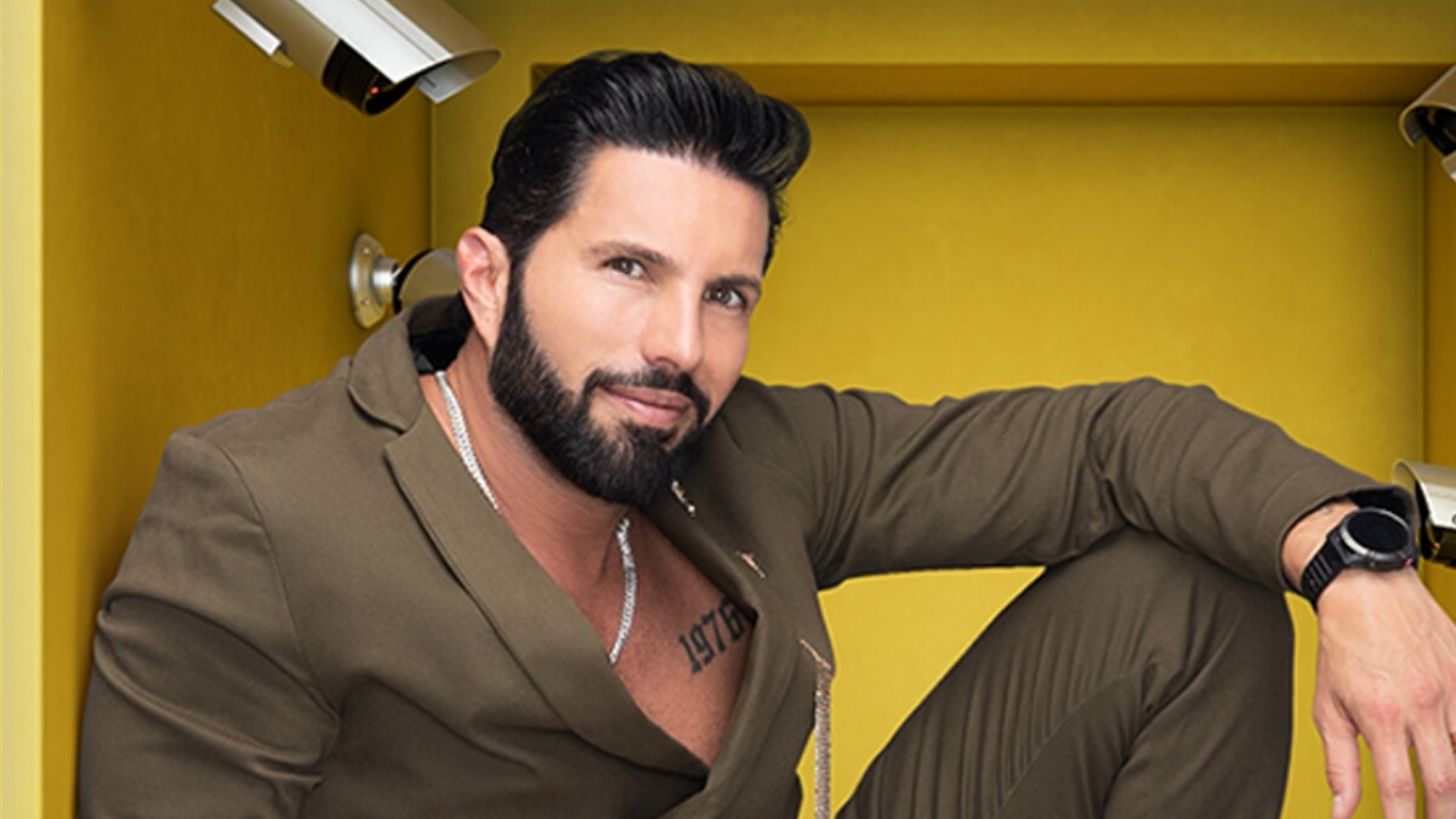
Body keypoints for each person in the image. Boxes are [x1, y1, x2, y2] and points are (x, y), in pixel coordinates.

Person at [78, 51, 1456, 819]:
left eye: (725, 293)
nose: (679, 344)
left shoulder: (744, 453)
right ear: (487, 280)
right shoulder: (263, 515)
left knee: (1194, 588)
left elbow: (1109, 441)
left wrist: (1358, 564)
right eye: (627, 269)